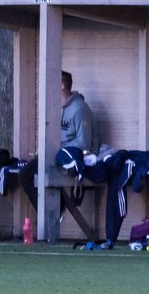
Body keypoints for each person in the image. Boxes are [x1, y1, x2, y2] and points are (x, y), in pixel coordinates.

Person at [21, 71, 95, 213]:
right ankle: (51, 211)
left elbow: (84, 144)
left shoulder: (80, 109)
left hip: (69, 159)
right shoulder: (56, 108)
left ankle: (53, 212)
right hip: (54, 156)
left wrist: (58, 148)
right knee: (25, 174)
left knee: (33, 174)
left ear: (61, 85)